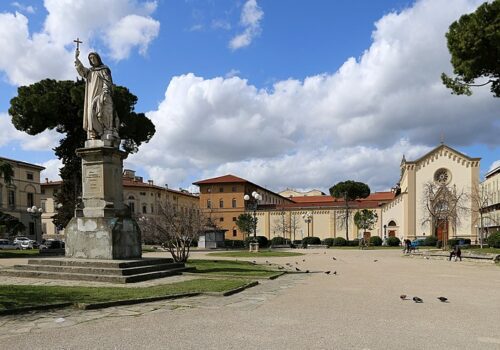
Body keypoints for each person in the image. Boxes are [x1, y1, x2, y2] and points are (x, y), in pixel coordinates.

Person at [75, 49, 119, 141]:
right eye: (90, 58)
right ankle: (94, 132)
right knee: (90, 113)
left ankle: (105, 130)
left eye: (93, 57)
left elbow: (107, 81)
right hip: (91, 95)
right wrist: (76, 58)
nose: (92, 59)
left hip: (101, 94)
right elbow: (82, 70)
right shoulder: (90, 71)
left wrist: (105, 91)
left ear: (98, 58)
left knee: (103, 112)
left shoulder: (104, 69)